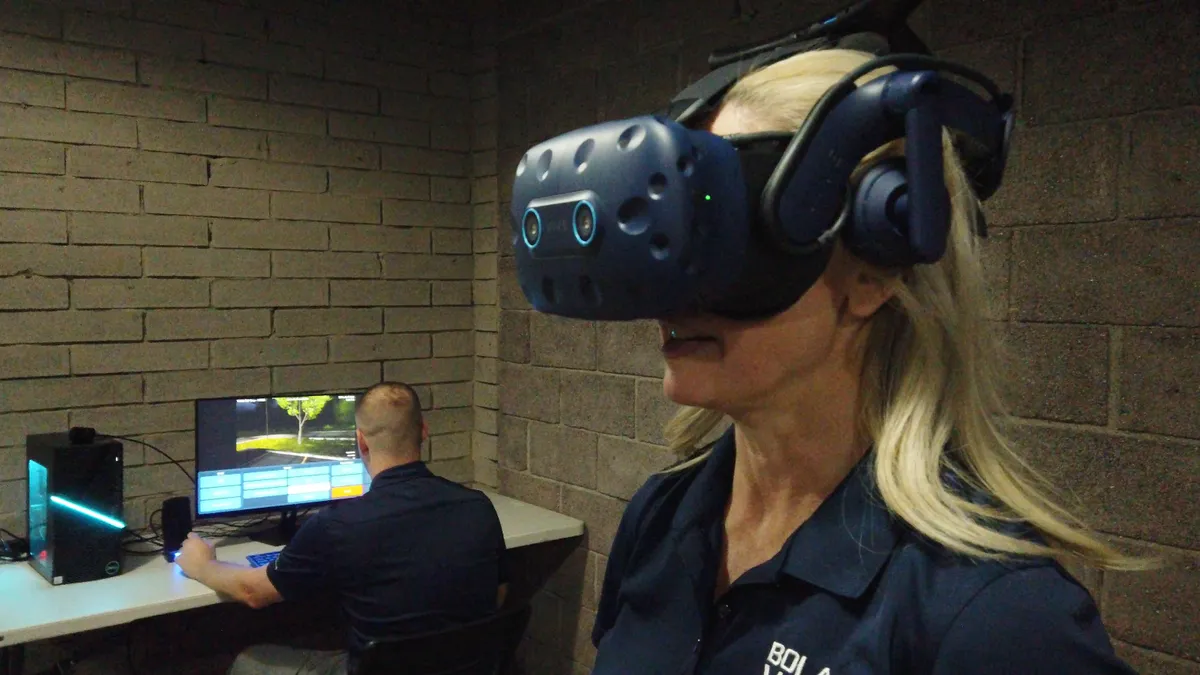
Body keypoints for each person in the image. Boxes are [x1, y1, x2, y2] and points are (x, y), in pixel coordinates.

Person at [589, 48, 1149, 674]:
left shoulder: (999, 621)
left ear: (874, 268)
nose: (672, 288)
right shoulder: (661, 514)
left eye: (727, 233)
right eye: (677, 236)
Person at [175, 382, 508, 675]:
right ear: (423, 430)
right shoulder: (477, 506)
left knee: (250, 659)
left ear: (360, 441)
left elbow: (253, 592)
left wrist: (202, 564)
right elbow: (496, 596)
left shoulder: (338, 526)